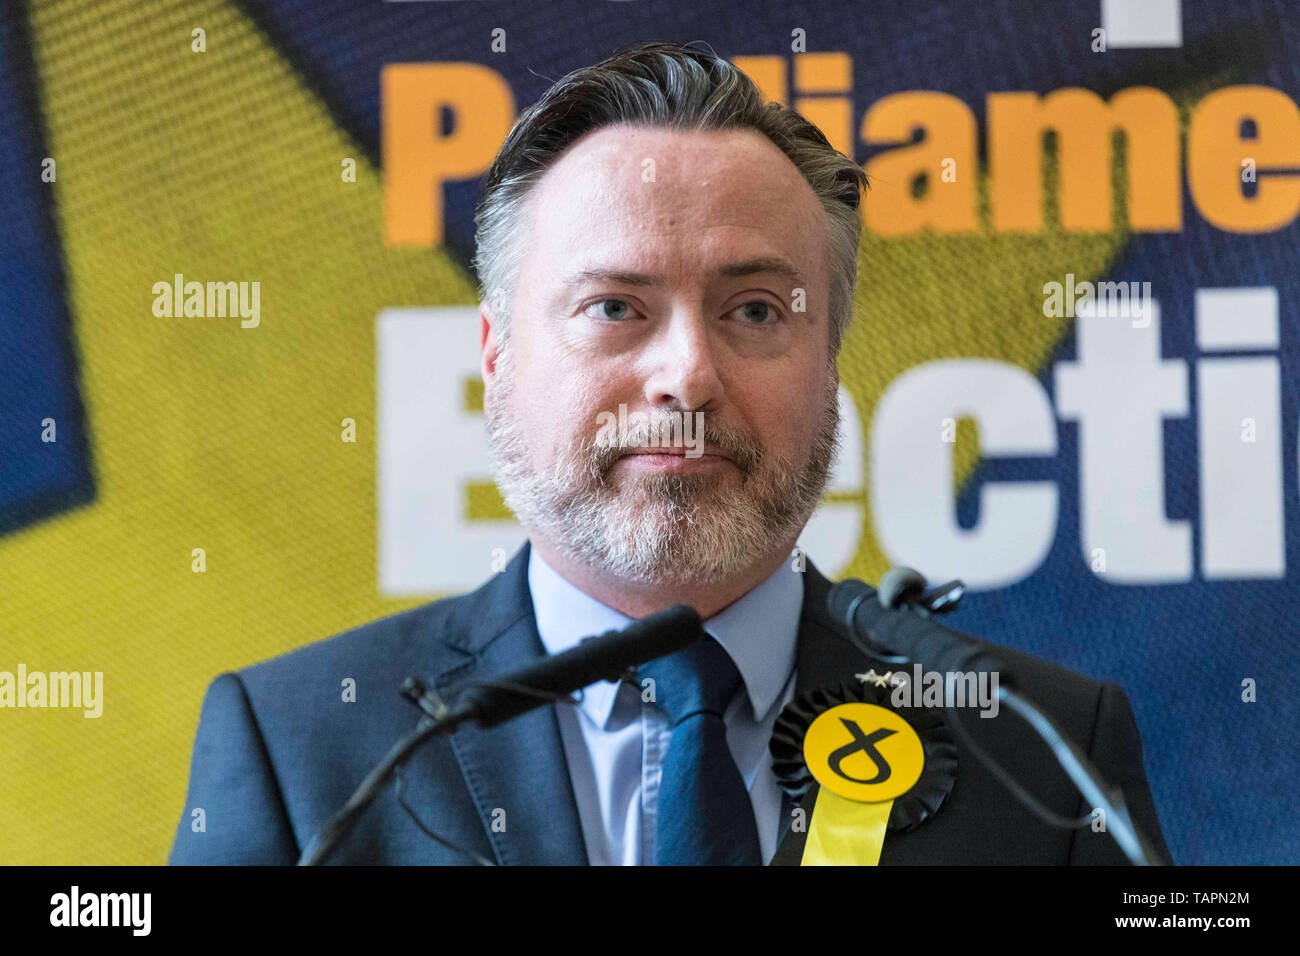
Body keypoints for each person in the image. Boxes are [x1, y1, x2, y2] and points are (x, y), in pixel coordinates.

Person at [170, 41, 1170, 866]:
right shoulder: (301, 747)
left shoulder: (1047, 748)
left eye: (753, 309)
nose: (686, 373)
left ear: (829, 361)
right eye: (615, 306)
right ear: (496, 357)